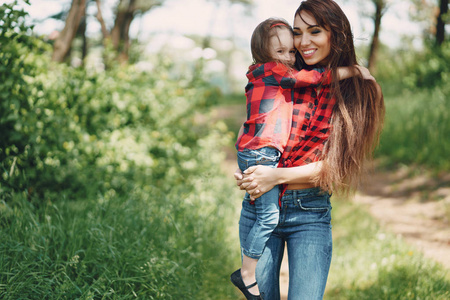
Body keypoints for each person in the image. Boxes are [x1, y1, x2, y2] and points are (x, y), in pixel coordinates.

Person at [234, 1, 385, 299]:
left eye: (314, 31)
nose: (303, 42)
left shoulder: (360, 89)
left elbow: (335, 167)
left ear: (336, 34)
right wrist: (247, 172)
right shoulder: (283, 75)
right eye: (298, 32)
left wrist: (274, 176)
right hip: (260, 205)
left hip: (309, 213)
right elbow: (248, 129)